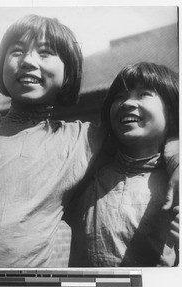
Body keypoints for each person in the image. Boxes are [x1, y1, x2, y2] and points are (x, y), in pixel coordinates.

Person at [0, 14, 179, 268]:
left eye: (45, 52)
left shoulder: (83, 140)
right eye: (16, 51)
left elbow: (150, 140)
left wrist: (177, 157)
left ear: (68, 74)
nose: (27, 61)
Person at [66, 62, 179, 267]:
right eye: (119, 97)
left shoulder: (174, 182)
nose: (127, 103)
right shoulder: (86, 174)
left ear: (171, 112)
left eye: (144, 94)